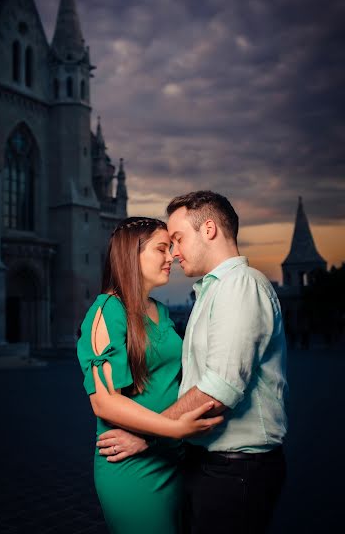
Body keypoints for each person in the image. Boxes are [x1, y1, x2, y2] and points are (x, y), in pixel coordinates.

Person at [97, 192, 288, 534]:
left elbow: (219, 388)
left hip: (236, 467)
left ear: (210, 229)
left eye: (178, 239)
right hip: (204, 462)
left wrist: (147, 435)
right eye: (166, 245)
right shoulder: (210, 291)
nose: (175, 252)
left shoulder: (240, 285)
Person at [77, 216, 223, 534]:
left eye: (170, 248)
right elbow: (104, 404)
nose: (171, 256)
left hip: (176, 459)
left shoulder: (161, 310)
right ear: (133, 254)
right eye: (161, 248)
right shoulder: (107, 311)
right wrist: (173, 427)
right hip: (133, 467)